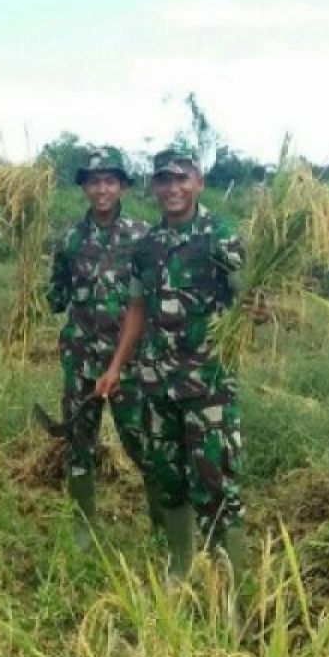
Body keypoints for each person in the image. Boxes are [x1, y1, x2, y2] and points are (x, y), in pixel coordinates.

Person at [96, 148, 247, 583]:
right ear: (154, 187)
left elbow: (251, 298)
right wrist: (116, 367)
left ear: (199, 181)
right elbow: (137, 308)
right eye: (164, 180)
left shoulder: (222, 237)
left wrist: (257, 309)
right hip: (154, 382)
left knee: (217, 484)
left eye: (181, 179)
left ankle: (229, 585)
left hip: (208, 385)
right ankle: (180, 569)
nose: (173, 188)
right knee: (167, 478)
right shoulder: (146, 247)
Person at [45, 148, 159, 547]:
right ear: (84, 187)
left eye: (110, 180)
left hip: (129, 362)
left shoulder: (144, 236)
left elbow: (154, 299)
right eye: (93, 181)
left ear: (123, 185)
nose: (102, 189)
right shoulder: (69, 239)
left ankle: (162, 528)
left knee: (142, 444)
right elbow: (56, 297)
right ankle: (82, 527)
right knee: (79, 445)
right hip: (81, 361)